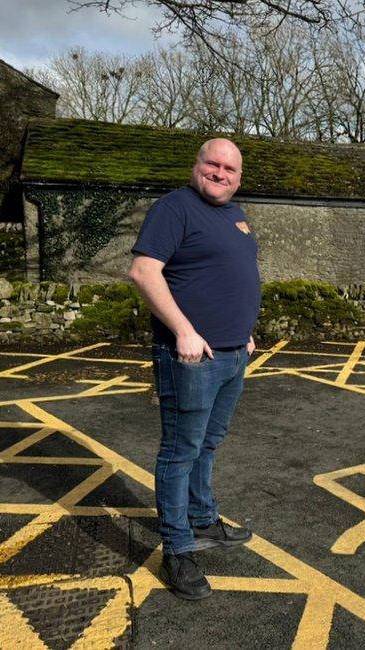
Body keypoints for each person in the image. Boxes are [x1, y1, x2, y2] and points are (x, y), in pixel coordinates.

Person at [129, 138, 261, 600]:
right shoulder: (175, 208)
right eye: (213, 164)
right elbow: (145, 271)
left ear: (239, 177)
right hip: (191, 356)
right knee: (180, 451)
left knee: (208, 442)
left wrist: (243, 329)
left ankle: (203, 518)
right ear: (196, 165)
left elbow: (231, 274)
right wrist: (184, 331)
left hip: (232, 354)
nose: (220, 173)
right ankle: (178, 549)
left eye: (229, 168)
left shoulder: (234, 214)